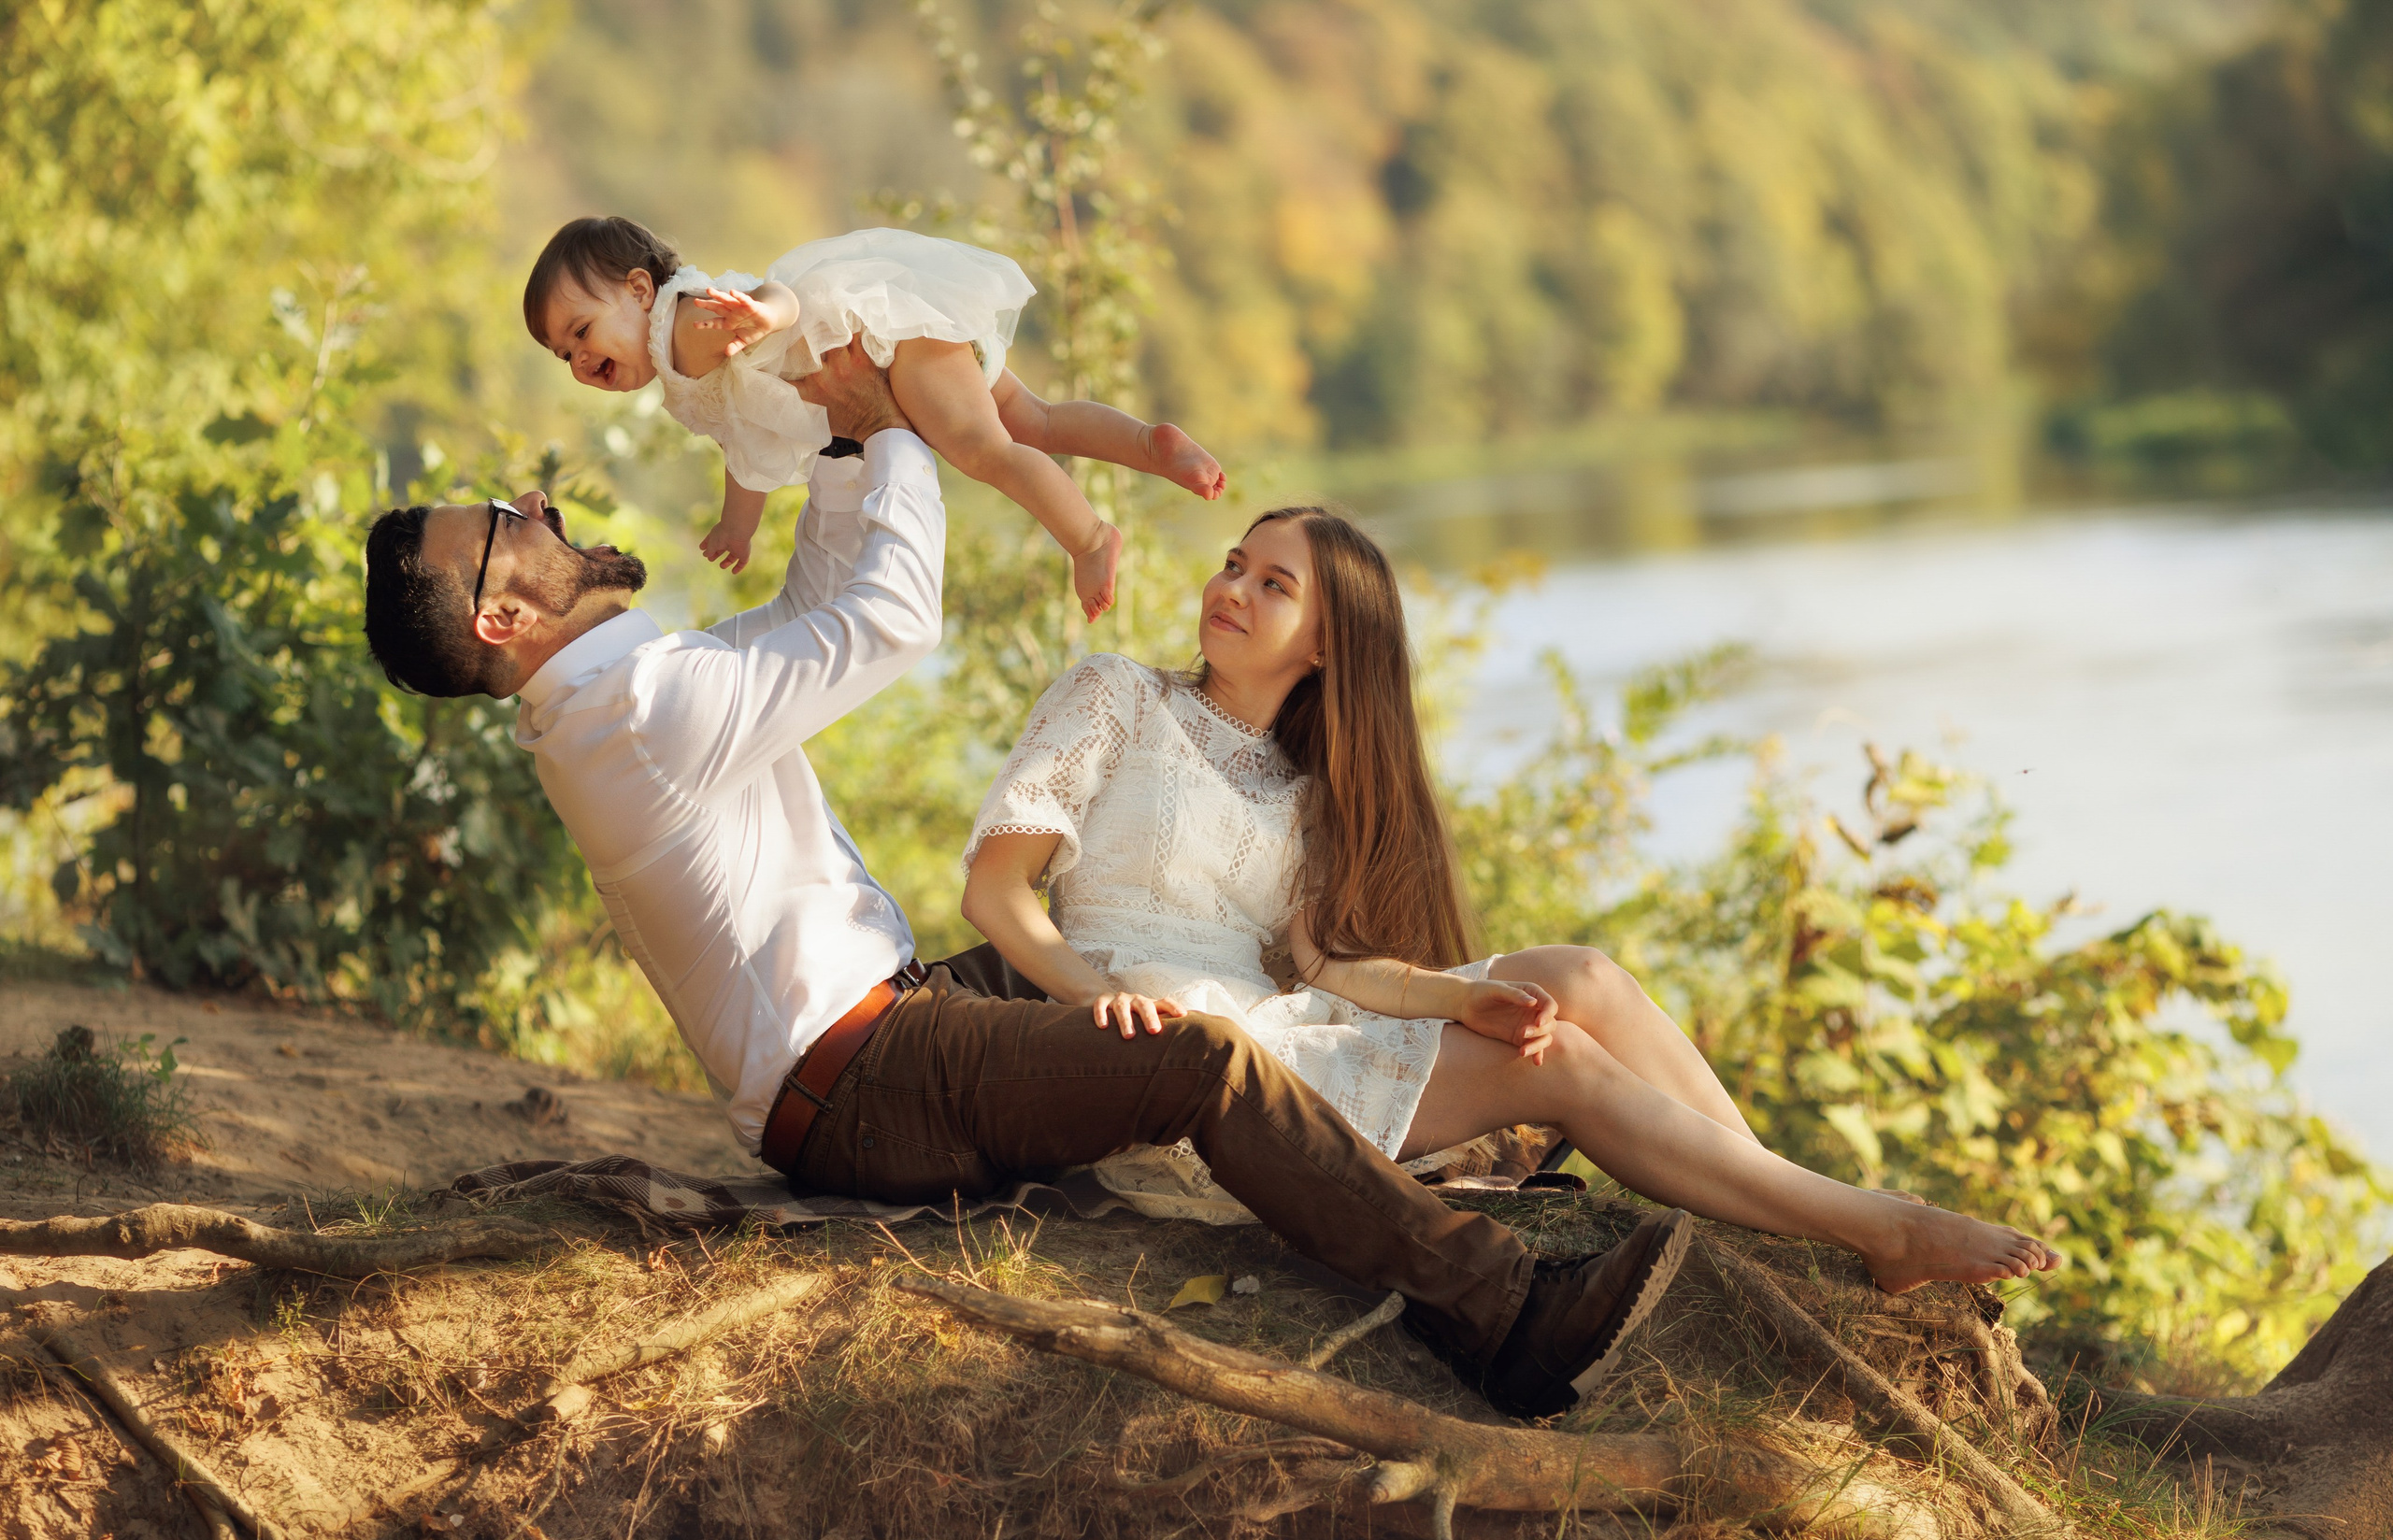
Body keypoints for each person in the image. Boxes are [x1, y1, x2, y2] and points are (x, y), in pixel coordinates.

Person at [357, 345, 1687, 1422]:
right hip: (864, 1081)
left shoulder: (614, 691)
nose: (536, 509)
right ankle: (1501, 1311)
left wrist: (834, 433)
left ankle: (1416, 1148)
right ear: (499, 618)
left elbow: (806, 606)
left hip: (896, 1021)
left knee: (1134, 960)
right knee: (1195, 1057)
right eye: (505, 526)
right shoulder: (640, 708)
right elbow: (884, 620)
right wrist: (894, 428)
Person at [961, 506, 2063, 1296]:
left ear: (1329, 643)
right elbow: (995, 895)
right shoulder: (1113, 694)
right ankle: (1881, 1228)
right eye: (1236, 565)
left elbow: (1329, 963)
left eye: (1270, 584)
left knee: (1578, 980)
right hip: (1166, 1045)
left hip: (1274, 1020)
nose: (1231, 591)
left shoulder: (1302, 790)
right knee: (1567, 1069)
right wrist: (1097, 1002)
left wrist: (1453, 1001)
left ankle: (1781, 1210)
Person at [521, 215, 1225, 618]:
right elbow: (742, 438)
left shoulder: (678, 329)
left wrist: (769, 312)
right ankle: (1148, 443)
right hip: (900, 331)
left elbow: (775, 300)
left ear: (638, 288)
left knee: (982, 451)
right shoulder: (677, 349)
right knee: (1031, 422)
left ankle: (1089, 536)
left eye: (581, 331)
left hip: (886, 350)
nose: (580, 360)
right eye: (562, 355)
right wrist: (741, 522)